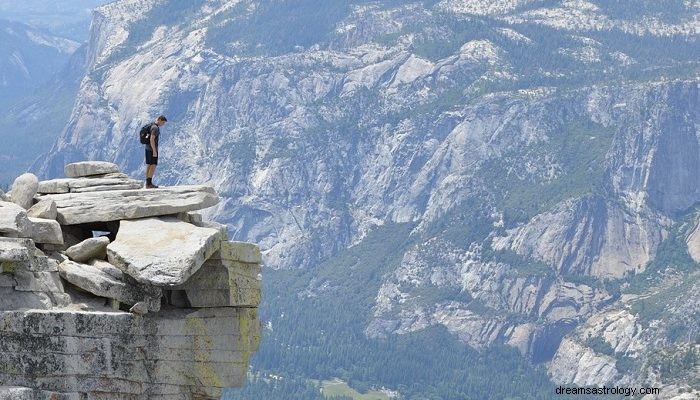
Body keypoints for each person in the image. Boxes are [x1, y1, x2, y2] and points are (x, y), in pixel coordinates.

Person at [145, 115, 167, 189]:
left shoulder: (151, 125)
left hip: (147, 148)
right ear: (160, 120)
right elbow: (152, 139)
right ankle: (149, 184)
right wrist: (154, 151)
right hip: (152, 149)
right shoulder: (155, 128)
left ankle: (147, 183)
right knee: (153, 165)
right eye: (163, 123)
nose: (163, 125)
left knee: (149, 165)